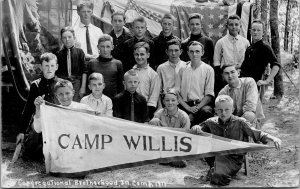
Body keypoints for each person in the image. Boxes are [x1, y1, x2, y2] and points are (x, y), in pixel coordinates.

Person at [191, 95, 281, 186]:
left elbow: (258, 133)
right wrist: (196, 127)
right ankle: (215, 169)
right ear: (215, 110)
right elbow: (197, 130)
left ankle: (217, 172)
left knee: (217, 177)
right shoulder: (211, 122)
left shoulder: (240, 122)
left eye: (227, 110)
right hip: (215, 156)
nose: (223, 113)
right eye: (220, 110)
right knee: (206, 144)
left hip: (234, 158)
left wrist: (274, 138)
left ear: (233, 109)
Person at [17, 53, 62, 161]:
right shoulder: (35, 85)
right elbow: (28, 109)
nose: (49, 69)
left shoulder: (62, 84)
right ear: (41, 67)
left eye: (52, 66)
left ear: (56, 67)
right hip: (40, 121)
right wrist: (22, 131)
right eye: (46, 66)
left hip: (57, 122)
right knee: (30, 155)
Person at [176, 41, 215, 126]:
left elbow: (209, 95)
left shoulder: (208, 70)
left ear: (202, 53)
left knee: (206, 112)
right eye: (192, 51)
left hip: (200, 105)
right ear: (188, 53)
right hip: (185, 104)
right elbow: (177, 93)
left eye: (197, 51)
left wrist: (195, 109)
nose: (194, 54)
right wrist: (188, 108)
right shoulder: (182, 69)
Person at [149, 88, 190, 168]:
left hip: (177, 144)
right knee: (154, 121)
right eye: (167, 100)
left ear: (178, 101)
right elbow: (151, 132)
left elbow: (186, 138)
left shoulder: (184, 116)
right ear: (163, 102)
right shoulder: (159, 113)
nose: (170, 103)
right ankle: (165, 157)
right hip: (162, 144)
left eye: (173, 100)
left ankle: (170, 158)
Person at [213, 15, 250, 95]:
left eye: (236, 24)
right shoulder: (220, 42)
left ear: (240, 26)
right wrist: (222, 77)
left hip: (241, 76)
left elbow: (248, 61)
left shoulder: (245, 42)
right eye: (231, 24)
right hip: (226, 77)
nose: (234, 27)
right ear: (227, 26)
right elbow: (216, 63)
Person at [240, 20, 281, 88]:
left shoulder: (265, 47)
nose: (256, 32)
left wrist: (267, 81)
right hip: (244, 83)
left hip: (256, 84)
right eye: (254, 30)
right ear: (250, 31)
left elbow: (276, 65)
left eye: (258, 30)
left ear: (263, 33)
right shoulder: (249, 48)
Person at [86, 34, 124, 99]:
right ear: (98, 47)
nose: (105, 50)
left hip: (113, 100)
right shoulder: (92, 63)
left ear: (112, 47)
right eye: (102, 46)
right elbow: (88, 86)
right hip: (94, 99)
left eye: (108, 46)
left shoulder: (117, 63)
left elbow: (121, 87)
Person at [56, 26, 87, 102]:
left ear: (74, 37)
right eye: (64, 38)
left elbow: (84, 71)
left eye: (69, 37)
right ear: (62, 40)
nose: (67, 40)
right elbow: (56, 72)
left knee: (75, 104)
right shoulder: (58, 54)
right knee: (64, 103)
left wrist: (82, 87)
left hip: (76, 83)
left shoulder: (80, 52)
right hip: (63, 83)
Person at [132, 42, 160, 119]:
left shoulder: (153, 74)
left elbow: (153, 99)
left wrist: (146, 115)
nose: (139, 57)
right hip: (131, 109)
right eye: (136, 54)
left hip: (146, 111)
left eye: (142, 54)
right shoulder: (130, 73)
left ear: (148, 55)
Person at [156, 39, 187, 108]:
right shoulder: (161, 68)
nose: (173, 53)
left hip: (184, 102)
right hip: (167, 102)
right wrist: (159, 106)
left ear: (181, 51)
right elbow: (157, 89)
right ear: (167, 52)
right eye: (171, 50)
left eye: (176, 50)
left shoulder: (186, 66)